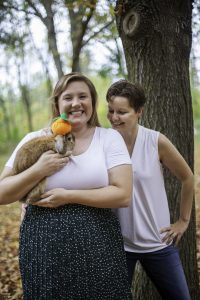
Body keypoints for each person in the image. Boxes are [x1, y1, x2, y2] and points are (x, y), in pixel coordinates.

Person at [0, 73, 133, 300]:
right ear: (57, 104)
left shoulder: (108, 138)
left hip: (98, 244)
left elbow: (123, 195)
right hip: (43, 245)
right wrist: (38, 170)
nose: (76, 103)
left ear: (92, 101)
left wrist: (68, 196)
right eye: (68, 97)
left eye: (83, 96)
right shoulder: (35, 139)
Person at [106, 79, 194, 300]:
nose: (114, 117)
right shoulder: (103, 142)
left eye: (122, 112)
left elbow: (188, 178)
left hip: (158, 243)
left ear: (139, 111)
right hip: (118, 245)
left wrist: (183, 221)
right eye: (111, 111)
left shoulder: (156, 141)